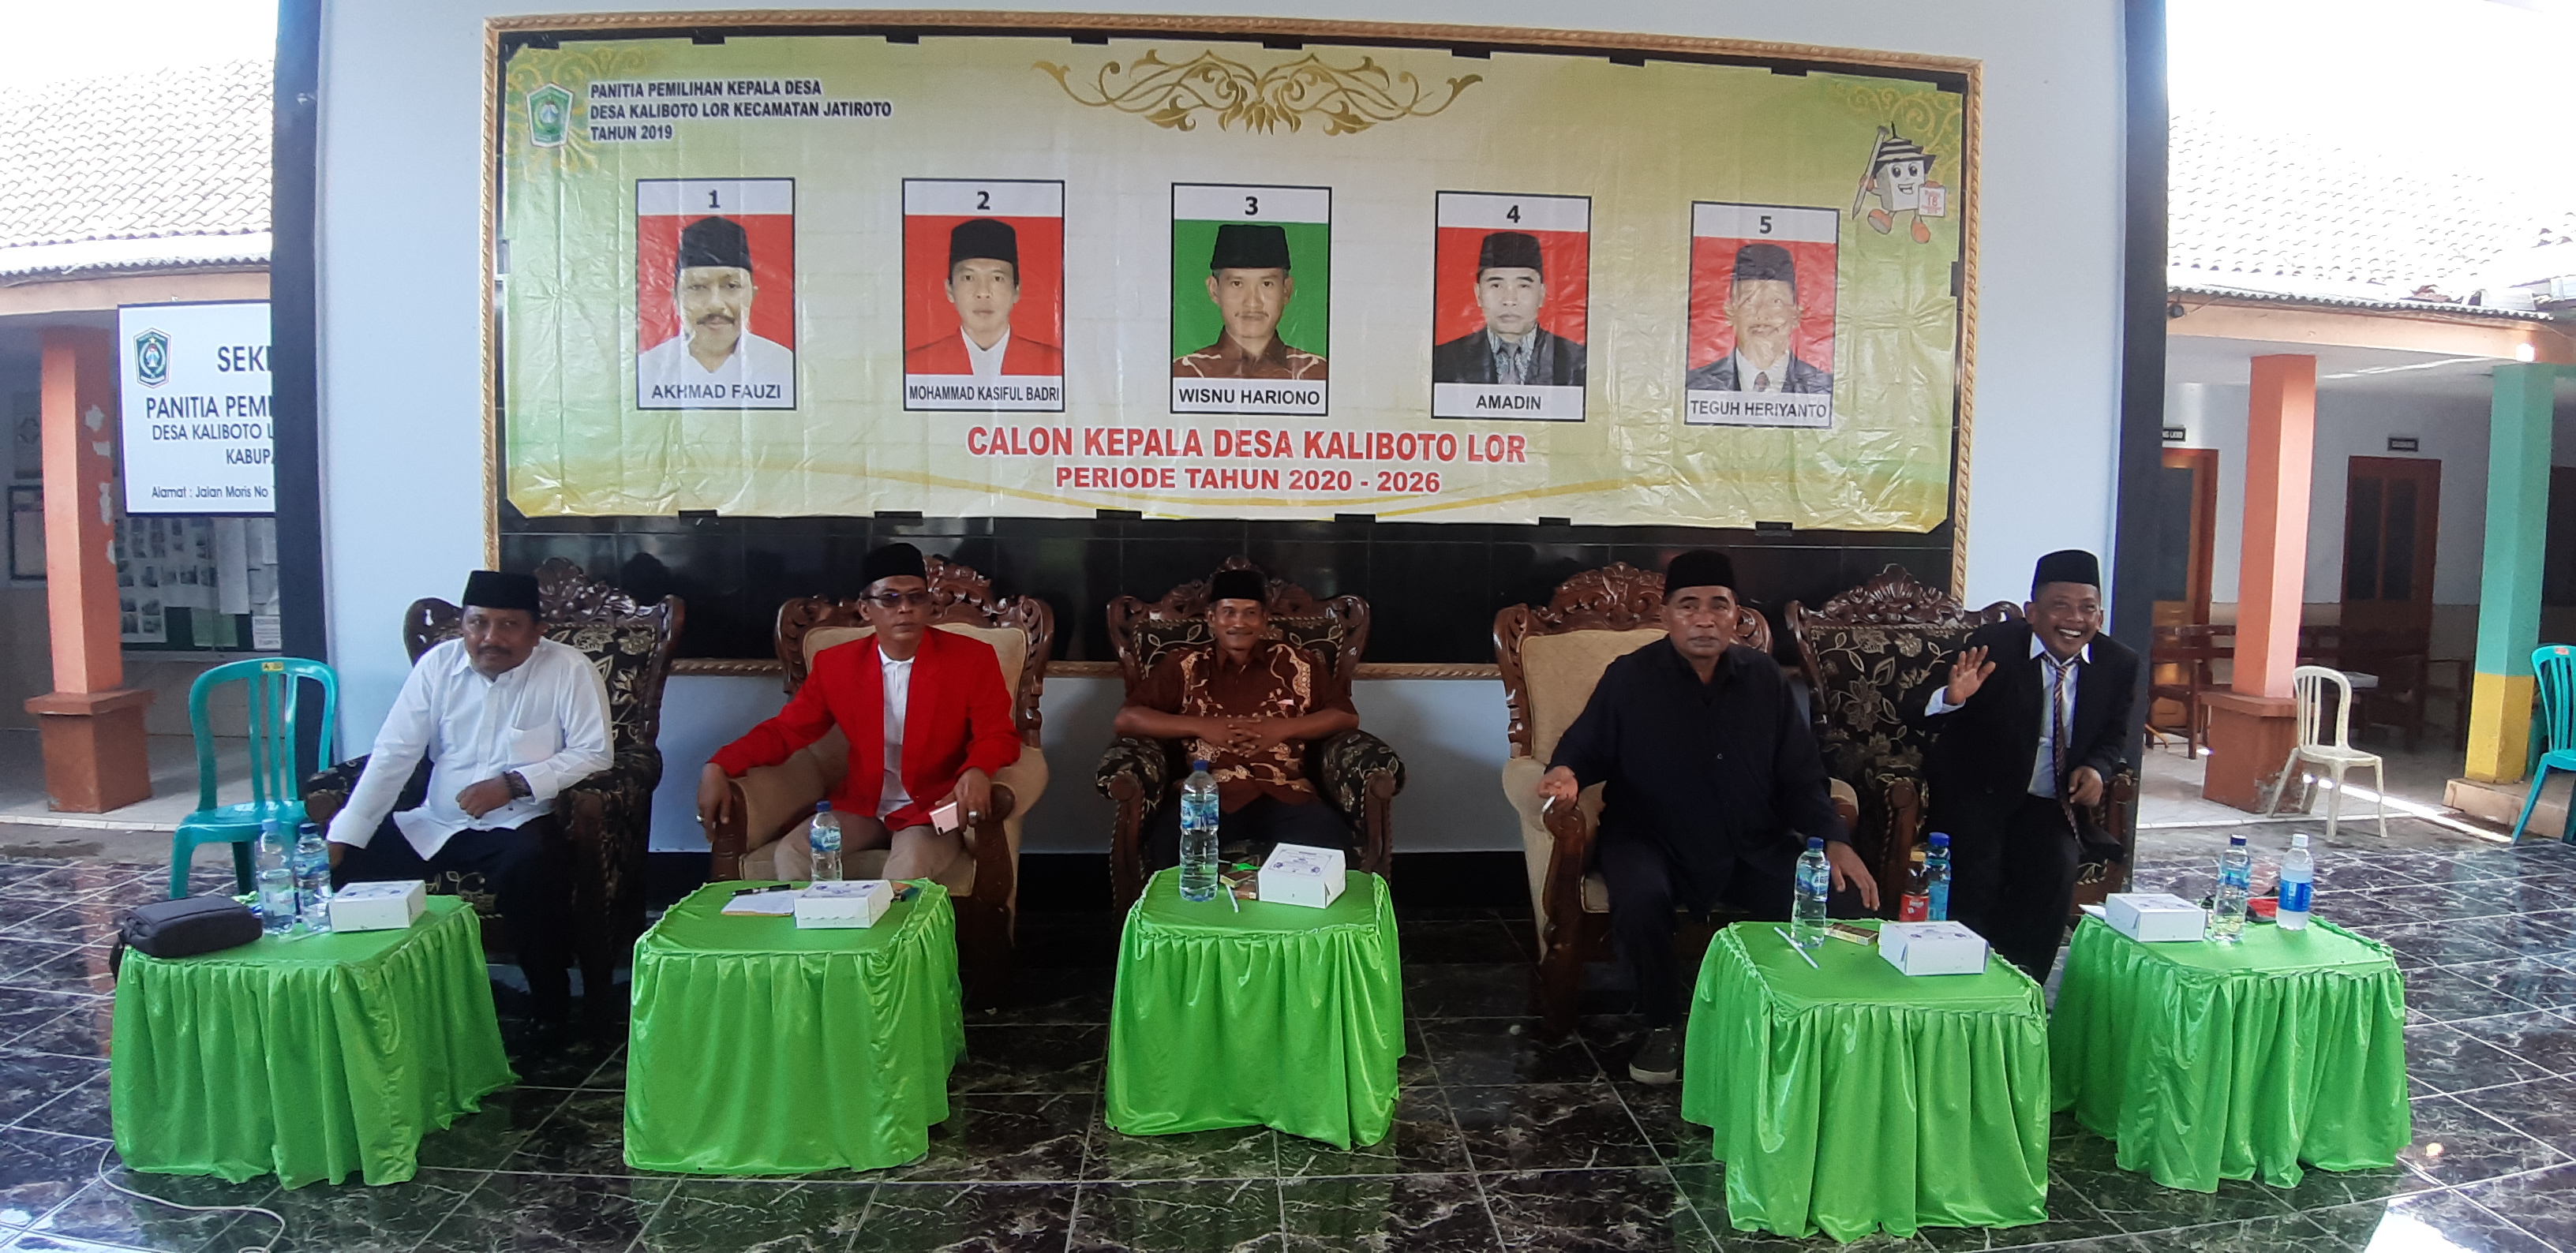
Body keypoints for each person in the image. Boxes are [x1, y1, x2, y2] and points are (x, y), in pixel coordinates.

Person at [1537, 549, 1876, 1085]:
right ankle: (1661, 1024)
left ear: (1737, 615)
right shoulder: (1629, 677)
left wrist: (1833, 838)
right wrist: (1565, 773)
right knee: (1641, 897)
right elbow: (1584, 747)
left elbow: (1801, 776)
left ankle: (1812, 1022)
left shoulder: (1764, 679)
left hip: (1748, 842)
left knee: (1844, 897)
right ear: (1666, 615)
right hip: (1650, 837)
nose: (1704, 618)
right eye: (1688, 605)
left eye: (1719, 605)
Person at [328, 570, 611, 1023]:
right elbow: (395, 753)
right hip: (435, 824)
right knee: (351, 865)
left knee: (535, 869)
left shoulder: (569, 668)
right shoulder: (437, 666)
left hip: (517, 824)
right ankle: (376, 1007)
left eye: (509, 625)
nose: (490, 638)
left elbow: (594, 752)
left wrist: (513, 784)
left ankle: (550, 1012)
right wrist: (346, 833)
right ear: (463, 624)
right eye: (478, 623)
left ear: (538, 631)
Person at [696, 543, 1020, 881]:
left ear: (929, 605)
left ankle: (896, 922)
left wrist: (976, 770)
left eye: (916, 598)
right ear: (866, 609)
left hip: (933, 809)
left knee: (908, 865)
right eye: (890, 599)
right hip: (864, 805)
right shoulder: (836, 665)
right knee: (793, 852)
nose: (905, 608)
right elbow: (786, 731)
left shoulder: (972, 658)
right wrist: (719, 765)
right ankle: (816, 920)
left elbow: (997, 734)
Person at [1911, 549, 2139, 979]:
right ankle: (1962, 983)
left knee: (2054, 870)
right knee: (1976, 877)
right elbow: (1915, 711)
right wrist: (1953, 699)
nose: (2075, 619)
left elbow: (2114, 736)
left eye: (2087, 608)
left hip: (2050, 804)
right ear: (2032, 612)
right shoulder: (1992, 647)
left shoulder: (2118, 663)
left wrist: (2097, 769)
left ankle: (2023, 986)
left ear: (2100, 616)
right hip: (1978, 793)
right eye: (2060, 606)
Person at [1115, 567, 1359, 866]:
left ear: (1264, 619)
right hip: (1209, 796)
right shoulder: (1184, 665)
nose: (1239, 623)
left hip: (1286, 794)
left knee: (1330, 849)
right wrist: (1202, 726)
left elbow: (1345, 716)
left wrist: (1283, 729)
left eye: (1250, 613)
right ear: (1211, 618)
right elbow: (1127, 719)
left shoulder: (1299, 662)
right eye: (1229, 612)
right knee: (1171, 847)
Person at [637, 214, 796, 403]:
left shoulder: (784, 366)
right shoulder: (647, 370)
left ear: (752, 295)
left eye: (731, 286)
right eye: (697, 287)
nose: (715, 304)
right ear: (676, 298)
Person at [902, 218, 1065, 377]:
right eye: (968, 278)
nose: (983, 292)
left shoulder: (1053, 363)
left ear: (1017, 290)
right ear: (949, 290)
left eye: (997, 278)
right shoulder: (916, 364)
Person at [1173, 223, 1327, 380]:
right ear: (1214, 290)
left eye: (1267, 284)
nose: (1252, 303)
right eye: (1237, 284)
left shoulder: (1316, 372)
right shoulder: (1185, 372)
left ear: (1286, 290)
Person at [1431, 230, 1586, 387]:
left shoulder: (1578, 361)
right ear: (1478, 294)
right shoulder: (1443, 360)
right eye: (1496, 285)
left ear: (1541, 294)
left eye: (1523, 286)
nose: (1509, 300)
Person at [1683, 242, 1831, 395]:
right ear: (1730, 312)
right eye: (1749, 301)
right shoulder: (1695, 386)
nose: (1762, 314)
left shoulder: (1823, 387)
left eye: (1776, 302)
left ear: (1796, 315)